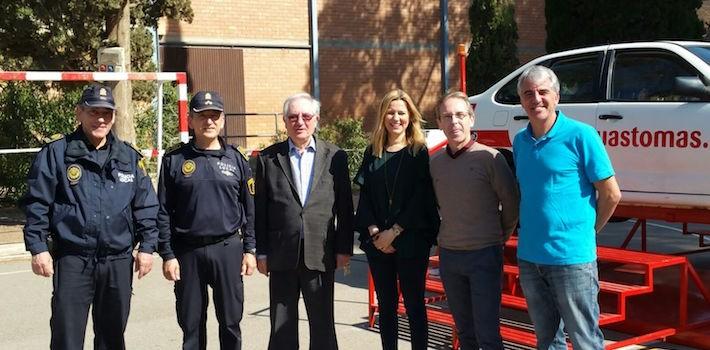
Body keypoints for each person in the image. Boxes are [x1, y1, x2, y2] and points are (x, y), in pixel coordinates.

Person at [22, 84, 158, 350]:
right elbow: (37, 203)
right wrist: (38, 247)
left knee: (112, 338)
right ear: (79, 113)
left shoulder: (128, 157)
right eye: (93, 112)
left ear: (114, 117)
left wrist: (148, 248)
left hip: (117, 260)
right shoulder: (57, 153)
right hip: (74, 259)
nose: (100, 119)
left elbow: (145, 206)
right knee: (67, 337)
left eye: (106, 113)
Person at [513, 65, 621, 349]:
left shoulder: (581, 136)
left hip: (571, 260)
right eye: (528, 94)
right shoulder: (520, 141)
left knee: (585, 340)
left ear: (557, 96)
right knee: (547, 341)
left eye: (542, 92)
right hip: (530, 258)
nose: (535, 99)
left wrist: (589, 230)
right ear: (522, 101)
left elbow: (611, 194)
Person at [157, 91, 256, 350]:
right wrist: (167, 254)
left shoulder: (237, 160)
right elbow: (163, 211)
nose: (209, 122)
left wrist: (250, 250)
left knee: (231, 322)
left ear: (222, 120)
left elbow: (250, 208)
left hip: (227, 249)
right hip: (187, 251)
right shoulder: (174, 160)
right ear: (190, 120)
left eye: (214, 116)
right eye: (202, 116)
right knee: (191, 325)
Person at [254, 92, 354, 350]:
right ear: (285, 121)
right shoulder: (267, 159)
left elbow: (344, 207)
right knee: (281, 326)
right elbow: (260, 211)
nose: (300, 121)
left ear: (316, 120)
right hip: (281, 255)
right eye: (293, 116)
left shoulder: (335, 156)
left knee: (322, 325)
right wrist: (261, 252)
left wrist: (344, 249)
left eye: (306, 116)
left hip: (320, 254)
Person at [429, 91, 519, 350]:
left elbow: (511, 204)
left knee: (487, 334)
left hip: (484, 255)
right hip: (450, 257)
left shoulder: (491, 158)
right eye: (447, 116)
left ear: (471, 119)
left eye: (460, 115)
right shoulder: (435, 163)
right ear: (439, 122)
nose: (454, 121)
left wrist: (496, 237)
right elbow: (434, 206)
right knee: (465, 332)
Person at [354, 89, 440, 350]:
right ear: (382, 116)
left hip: (411, 240)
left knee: (414, 305)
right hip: (378, 242)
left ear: (410, 117)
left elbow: (421, 198)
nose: (396, 117)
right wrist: (375, 231)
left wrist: (395, 231)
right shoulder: (373, 152)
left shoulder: (418, 152)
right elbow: (365, 194)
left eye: (401, 112)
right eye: (390, 112)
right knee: (387, 306)